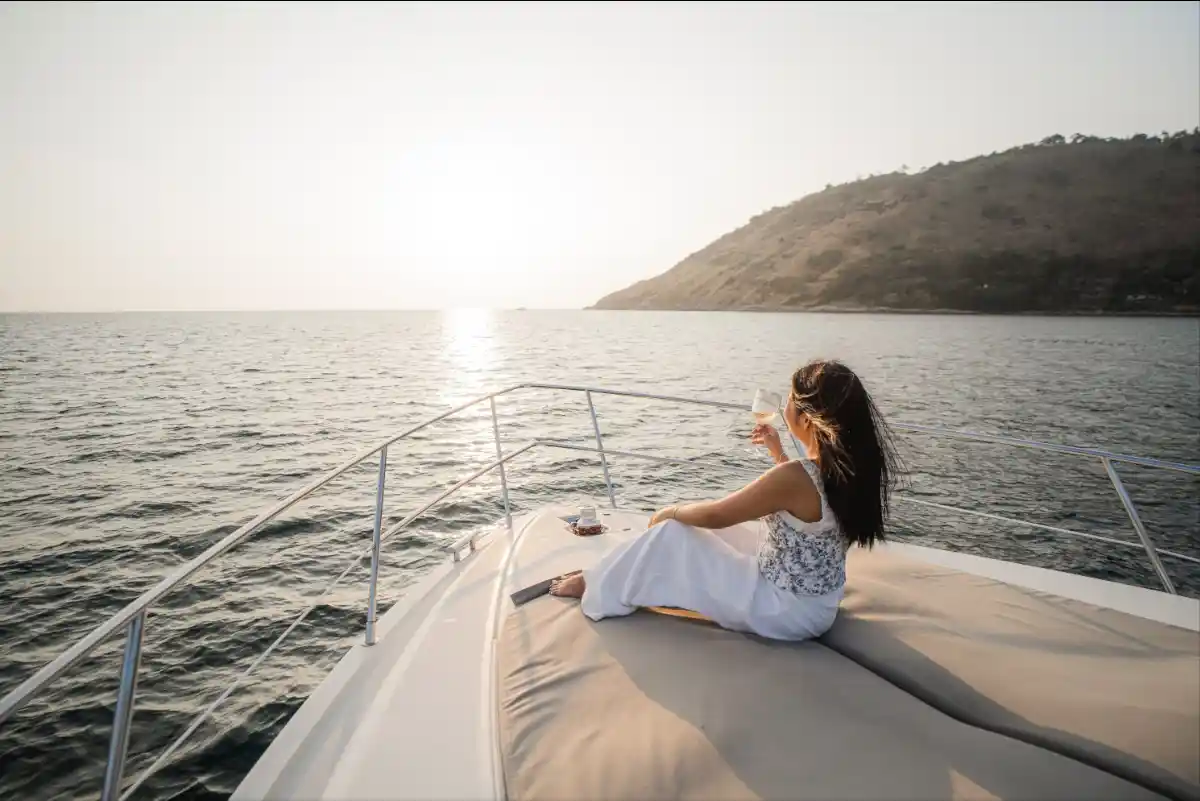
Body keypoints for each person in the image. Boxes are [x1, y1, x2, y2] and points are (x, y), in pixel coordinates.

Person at [549, 359, 900, 641]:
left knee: (672, 533)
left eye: (790, 401)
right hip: (818, 605)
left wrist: (669, 511)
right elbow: (809, 503)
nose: (784, 408)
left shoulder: (796, 477)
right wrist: (778, 454)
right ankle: (615, 570)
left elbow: (718, 514)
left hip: (782, 611)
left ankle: (596, 583)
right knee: (717, 532)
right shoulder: (851, 471)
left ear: (808, 419)